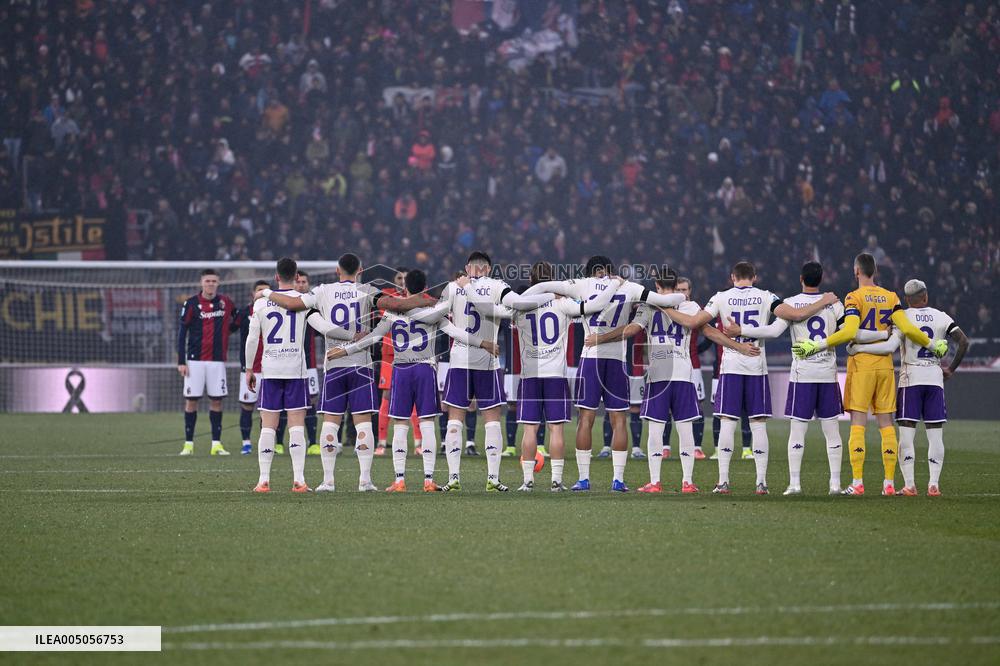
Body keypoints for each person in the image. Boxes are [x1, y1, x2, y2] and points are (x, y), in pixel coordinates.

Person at [263, 253, 427, 492]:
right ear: (360, 271)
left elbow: (292, 304)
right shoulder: (368, 290)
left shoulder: (323, 290)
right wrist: (426, 301)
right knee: (363, 424)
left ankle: (328, 481)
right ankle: (365, 481)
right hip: (361, 365)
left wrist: (266, 293)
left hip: (334, 364)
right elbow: (396, 305)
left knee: (331, 423)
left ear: (337, 271)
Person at [522, 255, 687, 492]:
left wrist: (538, 297)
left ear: (590, 272)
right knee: (619, 420)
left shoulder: (582, 284)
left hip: (590, 358)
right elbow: (668, 299)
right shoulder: (629, 287)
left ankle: (583, 479)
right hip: (617, 360)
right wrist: (682, 297)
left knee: (585, 419)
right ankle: (617, 480)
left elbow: (543, 286)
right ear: (611, 270)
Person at [585, 270, 759, 493]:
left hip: (659, 375)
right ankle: (687, 482)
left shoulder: (649, 306)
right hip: (683, 375)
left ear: (657, 286)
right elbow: (711, 332)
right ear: (676, 285)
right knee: (685, 429)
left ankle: (655, 482)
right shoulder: (690, 306)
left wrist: (600, 338)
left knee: (656, 429)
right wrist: (739, 346)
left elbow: (630, 330)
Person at [329, 269, 499, 492]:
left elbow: (373, 337)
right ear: (425, 287)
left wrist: (345, 350)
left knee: (400, 424)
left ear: (405, 287)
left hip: (401, 370)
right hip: (425, 369)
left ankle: (399, 480)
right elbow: (456, 332)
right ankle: (428, 480)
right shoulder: (433, 312)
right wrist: (483, 343)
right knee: (426, 423)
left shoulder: (393, 313)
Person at [793, 253, 948, 496]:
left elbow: (850, 332)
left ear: (857, 271)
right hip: (885, 366)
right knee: (886, 424)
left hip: (862, 366)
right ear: (875, 271)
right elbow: (907, 328)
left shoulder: (854, 297)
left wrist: (817, 345)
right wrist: (932, 344)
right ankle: (889, 483)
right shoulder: (891, 297)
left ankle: (858, 482)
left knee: (858, 423)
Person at [679, 262, 838, 495]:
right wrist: (823, 301)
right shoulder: (766, 296)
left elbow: (696, 323)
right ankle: (761, 483)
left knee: (727, 422)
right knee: (758, 424)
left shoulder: (721, 297)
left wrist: (668, 308)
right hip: (756, 367)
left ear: (732, 277)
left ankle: (723, 482)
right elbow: (795, 315)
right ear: (754, 277)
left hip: (731, 367)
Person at [723, 262, 867, 495]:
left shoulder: (790, 303)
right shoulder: (834, 303)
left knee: (798, 431)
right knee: (832, 431)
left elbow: (773, 331)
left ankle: (794, 484)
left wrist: (741, 331)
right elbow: (849, 333)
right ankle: (835, 484)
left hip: (802, 375)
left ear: (801, 279)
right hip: (827, 374)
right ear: (821, 279)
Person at [437, 251, 566, 492]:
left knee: (455, 418)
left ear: (468, 267)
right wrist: (551, 294)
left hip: (459, 360)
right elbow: (519, 305)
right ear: (488, 268)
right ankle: (493, 479)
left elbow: (442, 322)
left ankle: (453, 478)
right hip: (487, 361)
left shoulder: (452, 287)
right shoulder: (498, 286)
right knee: (492, 419)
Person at [846, 279, 968, 496]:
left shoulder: (902, 318)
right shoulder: (941, 316)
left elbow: (889, 346)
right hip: (934, 379)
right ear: (926, 296)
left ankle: (910, 485)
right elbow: (963, 341)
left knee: (906, 434)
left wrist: (858, 349)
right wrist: (950, 369)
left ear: (906, 299)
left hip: (910, 378)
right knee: (935, 434)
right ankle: (933, 485)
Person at [512, 261, 623, 491]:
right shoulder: (563, 303)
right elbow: (592, 306)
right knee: (556, 429)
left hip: (529, 374)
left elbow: (506, 310)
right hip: (555, 374)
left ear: (531, 280)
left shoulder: (521, 305)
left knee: (530, 429)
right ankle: (556, 481)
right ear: (553, 280)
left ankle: (527, 481)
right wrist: (613, 285)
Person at [245, 258, 335, 493]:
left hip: (270, 370)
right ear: (296, 277)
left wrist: (249, 369)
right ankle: (299, 480)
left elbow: (252, 339)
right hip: (296, 370)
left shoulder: (261, 303)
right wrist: (350, 335)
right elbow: (324, 328)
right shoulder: (303, 302)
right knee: (296, 426)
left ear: (276, 277)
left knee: (268, 426)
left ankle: (263, 480)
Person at [177, 268, 239, 456]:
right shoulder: (191, 303)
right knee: (191, 401)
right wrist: (181, 361)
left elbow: (238, 319)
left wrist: (226, 332)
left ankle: (216, 444)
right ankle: (188, 445)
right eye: (207, 281)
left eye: (214, 281)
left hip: (217, 361)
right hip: (194, 361)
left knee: (216, 401)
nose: (210, 284)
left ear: (218, 283)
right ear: (201, 283)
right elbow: (182, 333)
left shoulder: (225, 302)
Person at [376, 268, 423, 456]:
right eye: (399, 277)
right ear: (394, 280)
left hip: (412, 354)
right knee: (387, 395)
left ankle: (418, 443)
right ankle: (381, 443)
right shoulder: (386, 295)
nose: (402, 281)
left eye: (406, 278)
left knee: (414, 395)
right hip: (390, 354)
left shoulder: (419, 297)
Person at [675, 277, 709, 459]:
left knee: (698, 405)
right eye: (678, 289)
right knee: (669, 406)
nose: (681, 293)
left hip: (693, 365)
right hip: (671, 365)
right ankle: (665, 446)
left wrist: (696, 350)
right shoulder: (668, 308)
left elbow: (709, 335)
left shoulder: (697, 310)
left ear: (690, 291)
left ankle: (697, 447)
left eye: (684, 290)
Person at [237, 280, 271, 455]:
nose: (263, 293)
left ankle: (267, 443)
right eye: (260, 290)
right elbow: (231, 328)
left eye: (266, 290)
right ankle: (246, 443)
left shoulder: (276, 309)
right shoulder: (244, 312)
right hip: (250, 368)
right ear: (253, 293)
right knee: (247, 406)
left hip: (270, 368)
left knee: (269, 409)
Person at [295, 271, 322, 456]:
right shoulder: (287, 303)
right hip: (289, 361)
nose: (301, 285)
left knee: (312, 399)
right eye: (298, 282)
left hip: (309, 363)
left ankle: (312, 442)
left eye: (304, 282)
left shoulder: (314, 307)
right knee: (288, 401)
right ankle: (279, 442)